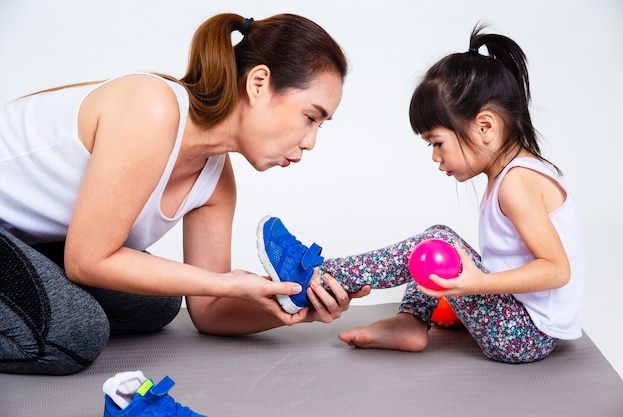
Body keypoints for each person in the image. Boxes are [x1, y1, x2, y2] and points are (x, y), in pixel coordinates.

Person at [0, 13, 369, 376]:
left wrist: (293, 304)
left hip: (22, 239)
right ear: (259, 83)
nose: (311, 142)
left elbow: (210, 311)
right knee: (77, 334)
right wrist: (226, 282)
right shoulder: (152, 108)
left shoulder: (216, 180)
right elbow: (87, 260)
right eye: (310, 117)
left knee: (158, 302)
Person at [257, 24, 585, 364]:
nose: (435, 156)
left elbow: (556, 270)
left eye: (437, 143)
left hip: (523, 336)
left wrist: (476, 285)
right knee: (439, 245)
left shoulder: (518, 182)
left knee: (437, 242)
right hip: (525, 327)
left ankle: (316, 278)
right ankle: (412, 322)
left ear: (484, 127)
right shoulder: (516, 173)